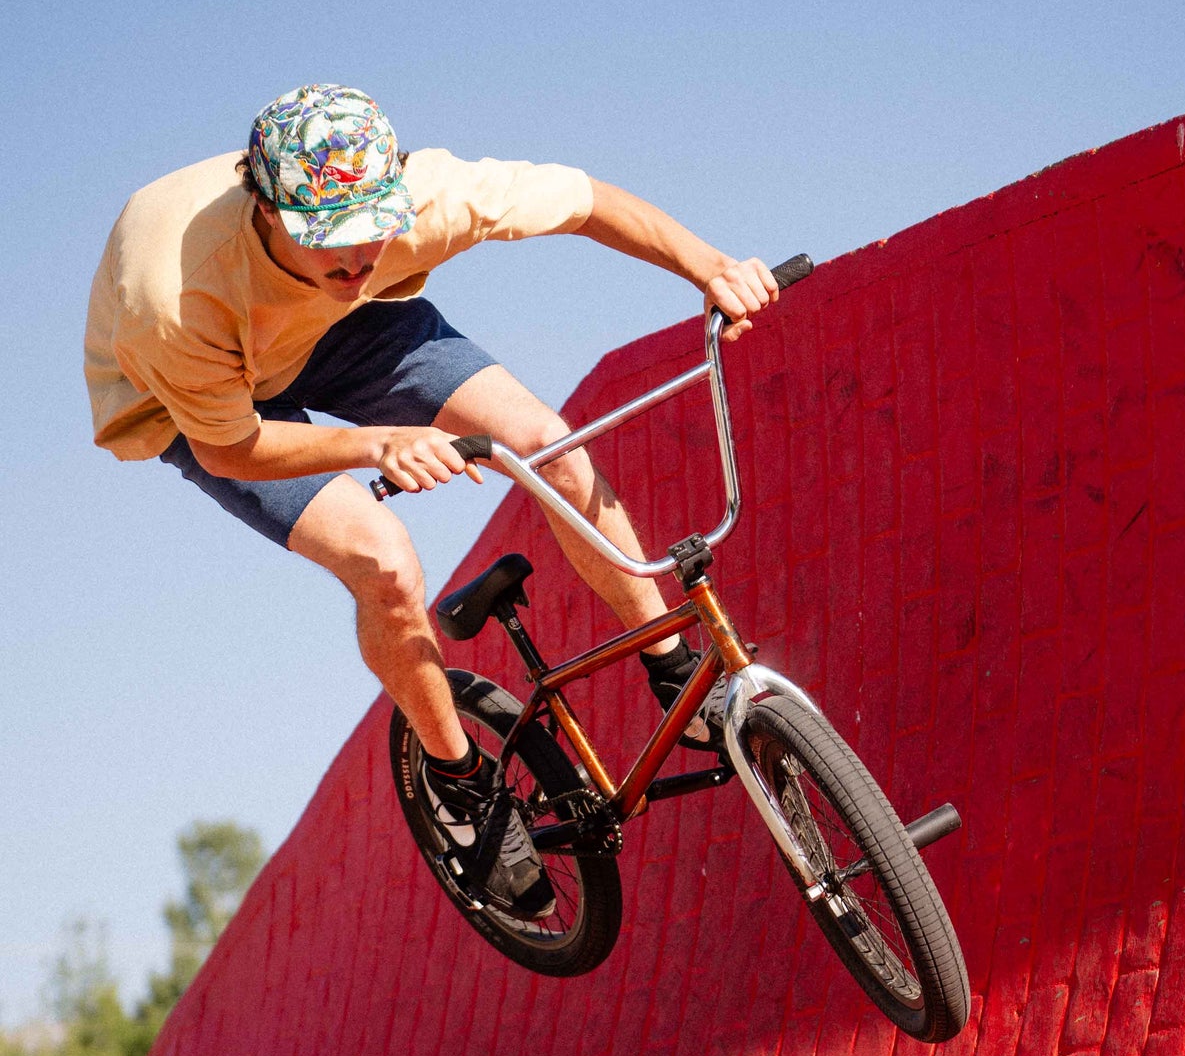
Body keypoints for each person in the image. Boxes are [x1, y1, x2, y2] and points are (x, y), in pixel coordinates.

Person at [86, 84, 782, 918]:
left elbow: (586, 203)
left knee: (548, 443)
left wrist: (709, 267)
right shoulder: (174, 297)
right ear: (265, 210)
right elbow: (228, 445)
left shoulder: (415, 208)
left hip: (345, 329)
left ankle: (675, 672)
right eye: (330, 241)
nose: (357, 256)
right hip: (210, 396)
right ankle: (460, 784)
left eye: (373, 231)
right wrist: (377, 443)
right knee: (382, 561)